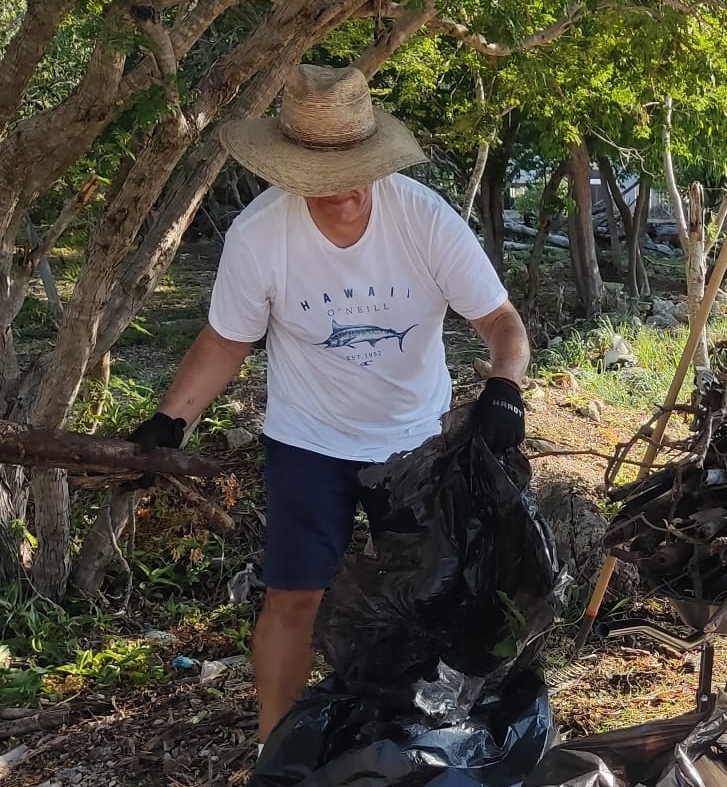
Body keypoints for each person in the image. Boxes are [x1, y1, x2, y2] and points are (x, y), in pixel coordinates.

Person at [127, 64, 529, 744]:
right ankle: (274, 753)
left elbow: (501, 323)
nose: (340, 192)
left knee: (427, 594)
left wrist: (505, 387)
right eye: (319, 178)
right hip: (308, 440)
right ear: (287, 170)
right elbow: (228, 339)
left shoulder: (424, 220)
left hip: (414, 442)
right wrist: (173, 419)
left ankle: (419, 743)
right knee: (294, 597)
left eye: (353, 170)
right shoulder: (259, 236)